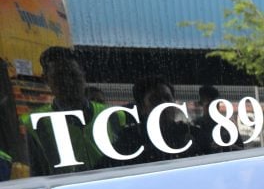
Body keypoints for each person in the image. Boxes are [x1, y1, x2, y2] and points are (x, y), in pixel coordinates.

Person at [21, 47, 127, 175]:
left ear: (83, 74)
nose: (68, 82)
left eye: (73, 74)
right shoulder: (35, 123)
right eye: (59, 77)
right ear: (46, 80)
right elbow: (37, 176)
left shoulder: (114, 116)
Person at [114, 76, 197, 165]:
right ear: (142, 108)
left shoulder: (193, 134)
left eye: (167, 98)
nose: (163, 103)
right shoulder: (129, 142)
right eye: (155, 99)